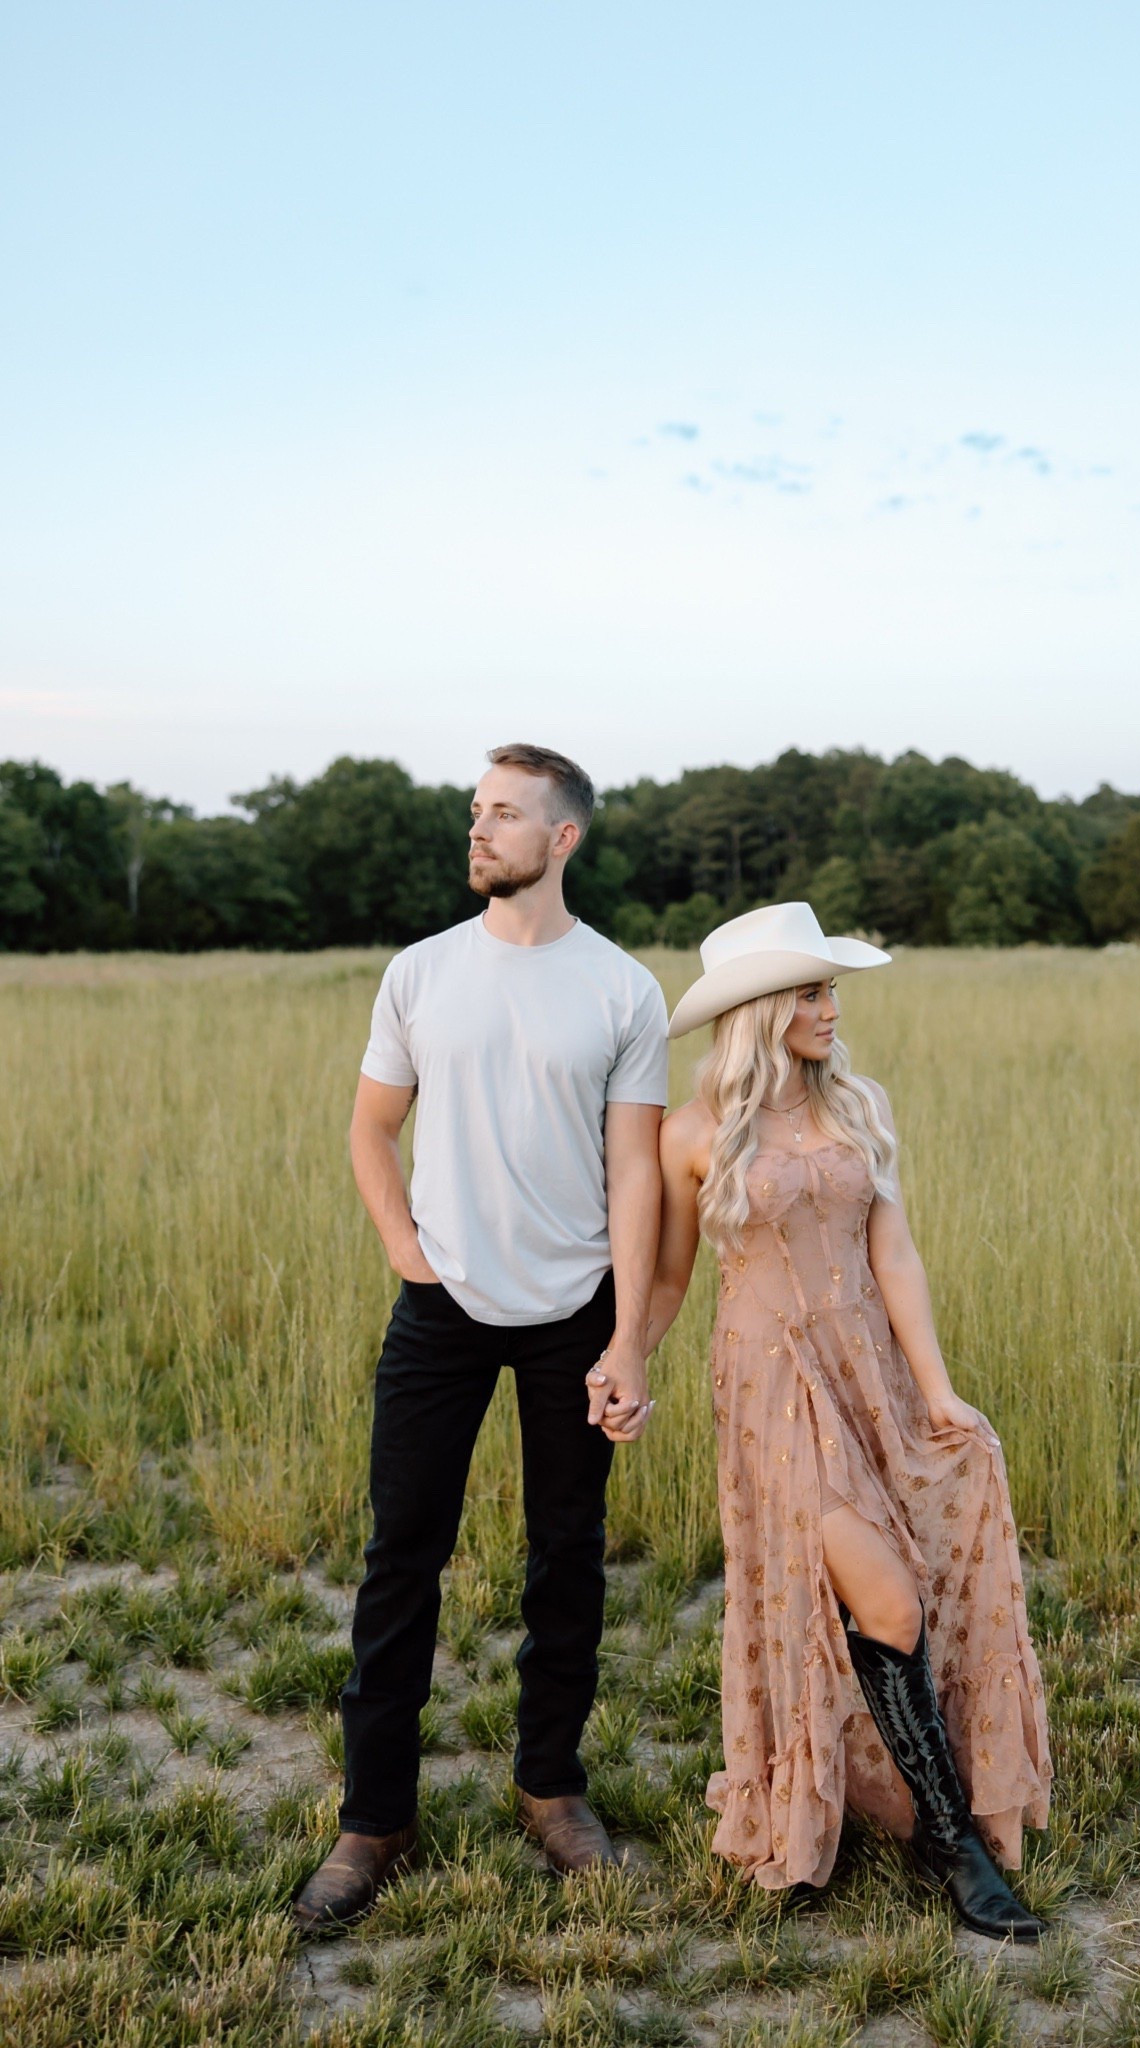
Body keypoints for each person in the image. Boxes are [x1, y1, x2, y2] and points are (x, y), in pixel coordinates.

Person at [293, 744, 667, 1932]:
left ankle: (550, 1784)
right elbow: (369, 1127)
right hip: (440, 1305)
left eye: (504, 814)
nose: (480, 829)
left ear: (564, 838)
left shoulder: (624, 988)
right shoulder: (420, 972)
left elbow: (637, 1172)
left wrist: (632, 1339)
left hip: (577, 1310)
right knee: (401, 1551)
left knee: (567, 1551)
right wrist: (404, 1242)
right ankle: (374, 1816)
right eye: (475, 811)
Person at [646, 902, 1052, 1939]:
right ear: (761, 1009)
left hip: (869, 1366)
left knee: (904, 1588)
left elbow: (895, 1255)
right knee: (890, 1601)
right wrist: (622, 1360)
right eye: (814, 991)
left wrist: (939, 1385)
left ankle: (914, 1808)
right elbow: (668, 1274)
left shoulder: (857, 1105)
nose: (832, 1009)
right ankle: (951, 1841)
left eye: (831, 990)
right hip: (773, 1385)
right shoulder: (691, 1133)